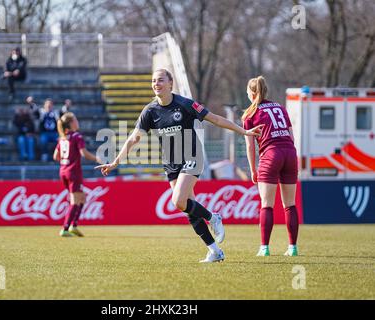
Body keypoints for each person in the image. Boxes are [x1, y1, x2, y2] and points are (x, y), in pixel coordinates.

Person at [96, 69, 263, 263]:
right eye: (153, 81)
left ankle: (213, 217)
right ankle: (214, 250)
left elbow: (216, 119)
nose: (156, 84)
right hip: (171, 163)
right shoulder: (150, 111)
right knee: (186, 206)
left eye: (160, 80)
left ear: (170, 84)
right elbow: (134, 138)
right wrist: (116, 161)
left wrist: (244, 131)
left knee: (177, 200)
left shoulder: (185, 104)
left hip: (192, 156)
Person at [242, 76, 299, 257]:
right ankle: (292, 248)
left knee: (267, 205)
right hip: (290, 153)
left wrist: (253, 169)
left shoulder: (249, 114)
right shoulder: (280, 108)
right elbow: (291, 137)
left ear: (252, 93)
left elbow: (250, 146)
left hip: (271, 155)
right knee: (290, 205)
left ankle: (264, 248)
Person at [53, 112, 101, 237]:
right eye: (75, 119)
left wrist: (66, 160)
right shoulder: (76, 136)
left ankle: (74, 226)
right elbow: (84, 153)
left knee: (82, 198)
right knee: (75, 200)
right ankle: (65, 228)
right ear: (71, 123)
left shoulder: (62, 138)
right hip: (73, 172)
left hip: (63, 171)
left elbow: (55, 156)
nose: (77, 121)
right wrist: (97, 159)